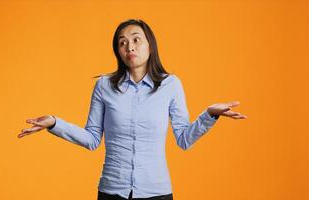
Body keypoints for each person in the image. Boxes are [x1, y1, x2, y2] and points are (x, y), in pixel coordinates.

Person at [18, 19, 247, 200]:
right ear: (118, 51)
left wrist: (210, 115)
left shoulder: (171, 85)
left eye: (136, 40)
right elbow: (91, 139)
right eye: (122, 42)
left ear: (150, 45)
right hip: (111, 191)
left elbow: (184, 139)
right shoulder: (104, 86)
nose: (130, 46)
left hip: (156, 192)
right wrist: (55, 123)